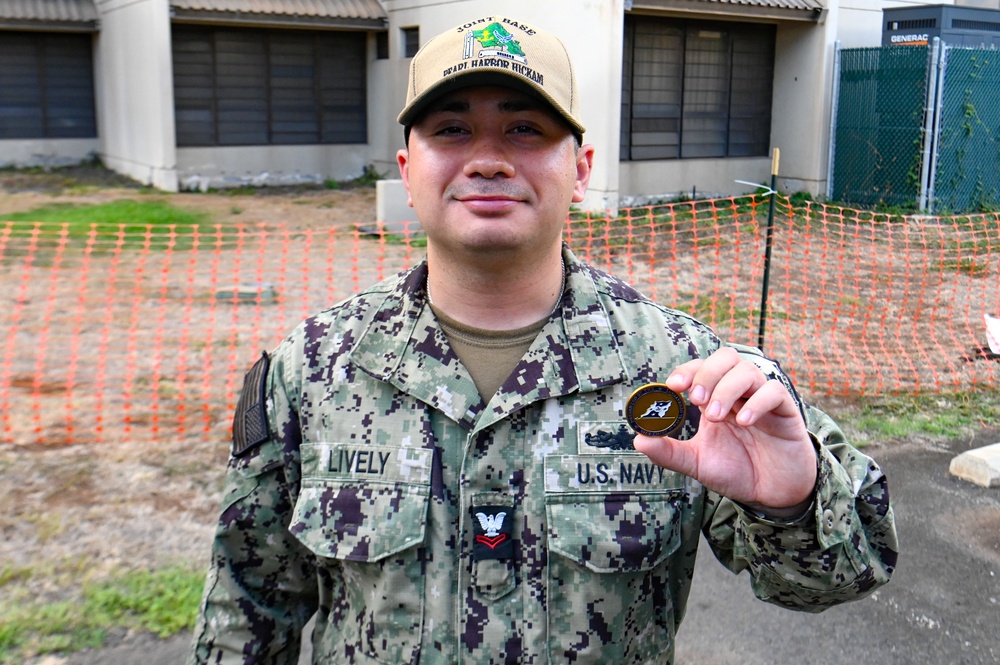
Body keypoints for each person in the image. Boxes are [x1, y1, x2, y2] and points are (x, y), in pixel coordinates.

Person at [188, 15, 897, 665]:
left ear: (581, 169)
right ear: (408, 172)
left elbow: (837, 575)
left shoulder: (682, 372)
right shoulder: (312, 369)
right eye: (451, 130)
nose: (489, 158)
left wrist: (792, 500)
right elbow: (246, 612)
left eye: (526, 129)